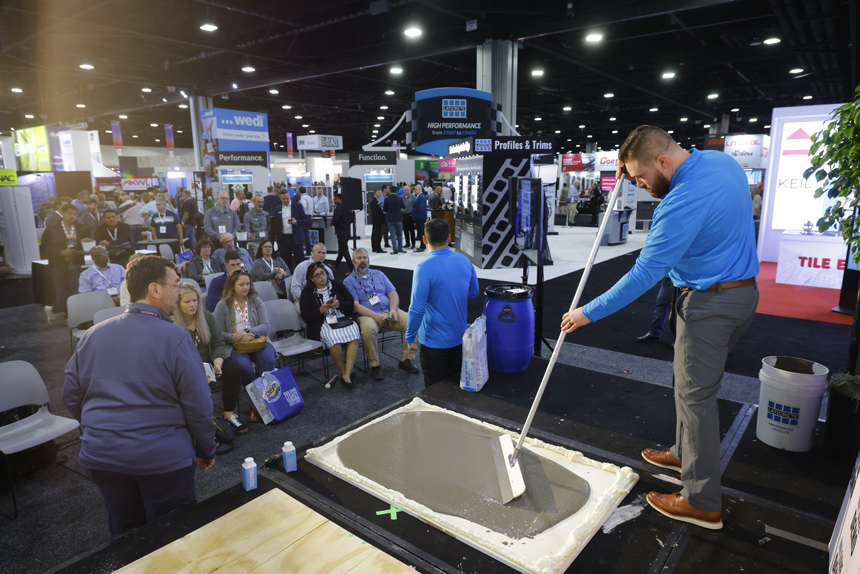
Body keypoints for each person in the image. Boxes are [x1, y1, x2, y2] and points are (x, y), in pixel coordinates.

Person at [560, 125, 759, 530]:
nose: (639, 184)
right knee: (692, 387)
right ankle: (685, 452)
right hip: (741, 296)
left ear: (663, 162)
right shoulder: (723, 164)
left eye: (642, 176)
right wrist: (630, 166)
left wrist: (587, 312)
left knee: (696, 397)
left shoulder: (679, 203)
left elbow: (643, 275)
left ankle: (702, 500)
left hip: (709, 305)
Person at [63, 255, 215, 540]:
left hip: (102, 456)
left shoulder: (93, 335)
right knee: (172, 536)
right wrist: (206, 450)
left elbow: (71, 395)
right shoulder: (176, 338)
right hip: (162, 460)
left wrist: (103, 429)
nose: (180, 292)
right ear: (154, 289)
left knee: (125, 536)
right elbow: (199, 406)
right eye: (176, 285)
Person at [406, 219, 479, 387]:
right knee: (455, 385)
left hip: (433, 342)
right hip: (459, 337)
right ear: (449, 237)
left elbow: (417, 309)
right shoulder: (465, 261)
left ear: (425, 240)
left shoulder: (423, 267)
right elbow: (474, 293)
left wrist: (410, 337)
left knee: (434, 390)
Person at [173, 281, 247, 434]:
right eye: (187, 301)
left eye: (195, 300)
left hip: (210, 362)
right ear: (178, 303)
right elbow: (174, 356)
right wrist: (196, 371)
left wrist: (218, 363)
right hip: (188, 367)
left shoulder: (206, 316)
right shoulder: (172, 324)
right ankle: (207, 421)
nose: (192, 304)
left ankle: (229, 414)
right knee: (195, 383)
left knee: (233, 370)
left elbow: (218, 342)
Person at [344, 248, 418, 380]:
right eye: (359, 258)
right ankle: (375, 365)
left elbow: (393, 294)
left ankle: (406, 360)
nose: (363, 261)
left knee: (412, 322)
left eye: (365, 258)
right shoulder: (349, 281)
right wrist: (375, 316)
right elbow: (355, 306)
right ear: (353, 261)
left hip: (388, 311)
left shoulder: (379, 274)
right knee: (368, 330)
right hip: (367, 315)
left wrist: (393, 309)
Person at [213, 271, 277, 416]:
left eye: (247, 284)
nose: (245, 287)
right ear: (232, 286)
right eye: (241, 284)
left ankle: (267, 400)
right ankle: (258, 402)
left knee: (268, 359)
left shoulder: (256, 301)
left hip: (257, 341)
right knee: (243, 367)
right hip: (236, 346)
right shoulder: (223, 305)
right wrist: (237, 337)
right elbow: (218, 334)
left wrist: (248, 331)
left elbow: (266, 326)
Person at [300, 261, 360, 389]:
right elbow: (305, 316)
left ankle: (347, 375)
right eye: (317, 275)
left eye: (323, 273)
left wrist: (340, 305)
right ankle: (345, 373)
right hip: (322, 322)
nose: (322, 277)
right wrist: (320, 311)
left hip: (343, 317)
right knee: (335, 342)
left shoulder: (337, 284)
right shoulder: (307, 293)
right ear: (311, 279)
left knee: (354, 337)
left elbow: (350, 303)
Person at [43, 204, 84, 325]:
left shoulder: (81, 227)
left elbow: (85, 242)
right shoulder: (52, 228)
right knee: (61, 290)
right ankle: (67, 315)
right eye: (69, 214)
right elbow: (45, 247)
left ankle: (55, 310)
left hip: (75, 262)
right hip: (58, 264)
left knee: (74, 289)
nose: (72, 216)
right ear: (63, 214)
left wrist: (74, 252)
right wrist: (61, 252)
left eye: (74, 214)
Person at [272, 189, 310, 272]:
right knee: (285, 261)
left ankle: (302, 277)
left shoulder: (297, 206)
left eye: (287, 198)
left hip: (296, 237)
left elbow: (306, 220)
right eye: (283, 199)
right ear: (280, 199)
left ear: (290, 197)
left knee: (300, 260)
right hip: (283, 238)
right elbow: (275, 224)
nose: (285, 200)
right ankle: (288, 279)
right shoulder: (277, 208)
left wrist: (296, 222)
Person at [637, 276, 675, 344]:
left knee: (680, 308)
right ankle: (654, 333)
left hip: (686, 279)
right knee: (661, 304)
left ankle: (679, 339)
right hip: (670, 278)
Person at [331, 194, 355, 271]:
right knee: (342, 250)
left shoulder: (338, 209)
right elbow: (352, 219)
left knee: (344, 251)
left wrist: (331, 223)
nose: (334, 200)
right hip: (347, 231)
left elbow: (335, 221)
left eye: (335, 199)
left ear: (340, 199)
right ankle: (336, 265)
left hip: (340, 232)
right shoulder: (349, 208)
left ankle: (353, 269)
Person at [384, 187, 405, 254]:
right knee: (399, 234)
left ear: (390, 191)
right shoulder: (400, 198)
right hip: (399, 218)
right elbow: (404, 207)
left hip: (390, 219)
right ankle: (400, 248)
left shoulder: (387, 199)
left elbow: (384, 209)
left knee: (393, 235)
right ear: (396, 191)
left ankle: (395, 250)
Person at [297, 187, 314, 256]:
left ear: (299, 192)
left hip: (305, 217)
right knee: (306, 234)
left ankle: (308, 250)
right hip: (309, 217)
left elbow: (303, 206)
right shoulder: (309, 197)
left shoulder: (303, 198)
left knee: (305, 235)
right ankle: (308, 249)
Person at [369, 189, 387, 254]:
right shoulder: (374, 202)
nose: (380, 195)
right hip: (377, 221)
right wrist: (380, 219)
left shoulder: (376, 201)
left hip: (377, 221)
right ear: (375, 193)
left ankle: (374, 247)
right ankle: (377, 248)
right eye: (378, 193)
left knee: (375, 234)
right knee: (377, 234)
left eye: (380, 193)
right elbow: (376, 213)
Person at [411, 185, 427, 253]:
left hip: (420, 217)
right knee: (421, 232)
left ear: (419, 189)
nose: (414, 190)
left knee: (421, 232)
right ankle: (422, 245)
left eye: (415, 189)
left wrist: (417, 217)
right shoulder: (420, 196)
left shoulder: (421, 197)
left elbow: (421, 208)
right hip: (420, 217)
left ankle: (422, 246)